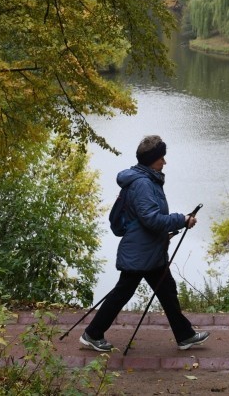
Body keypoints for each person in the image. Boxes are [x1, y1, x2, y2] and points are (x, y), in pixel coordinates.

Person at [80, 135, 210, 352]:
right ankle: (92, 334)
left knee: (167, 290)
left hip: (149, 249)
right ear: (152, 159)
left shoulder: (148, 179)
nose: (164, 162)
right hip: (140, 252)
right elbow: (151, 218)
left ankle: (185, 335)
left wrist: (166, 232)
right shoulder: (143, 184)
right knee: (123, 292)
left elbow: (146, 219)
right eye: (161, 158)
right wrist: (181, 219)